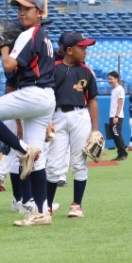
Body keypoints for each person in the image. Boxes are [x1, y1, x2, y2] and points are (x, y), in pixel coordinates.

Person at [0, 0, 55, 227]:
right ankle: (42, 212)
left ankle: (22, 150)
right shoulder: (44, 37)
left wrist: (4, 47)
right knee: (37, 161)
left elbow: (8, 64)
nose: (21, 12)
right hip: (45, 98)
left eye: (27, 9)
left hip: (33, 93)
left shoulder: (28, 34)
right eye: (19, 8)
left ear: (39, 12)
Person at [46, 32, 99, 219]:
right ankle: (47, 206)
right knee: (53, 164)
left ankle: (77, 204)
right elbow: (46, 99)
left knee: (79, 162)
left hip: (80, 115)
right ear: (69, 50)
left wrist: (95, 129)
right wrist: (47, 121)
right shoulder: (53, 69)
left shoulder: (87, 71)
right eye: (82, 47)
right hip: (57, 116)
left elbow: (92, 100)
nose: (85, 51)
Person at [107, 71, 127, 161]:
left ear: (116, 79)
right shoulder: (113, 90)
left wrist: (116, 116)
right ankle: (120, 154)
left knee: (117, 133)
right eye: (108, 79)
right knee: (114, 134)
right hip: (112, 115)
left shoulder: (120, 89)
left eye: (111, 79)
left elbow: (120, 103)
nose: (109, 81)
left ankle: (123, 153)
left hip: (117, 116)